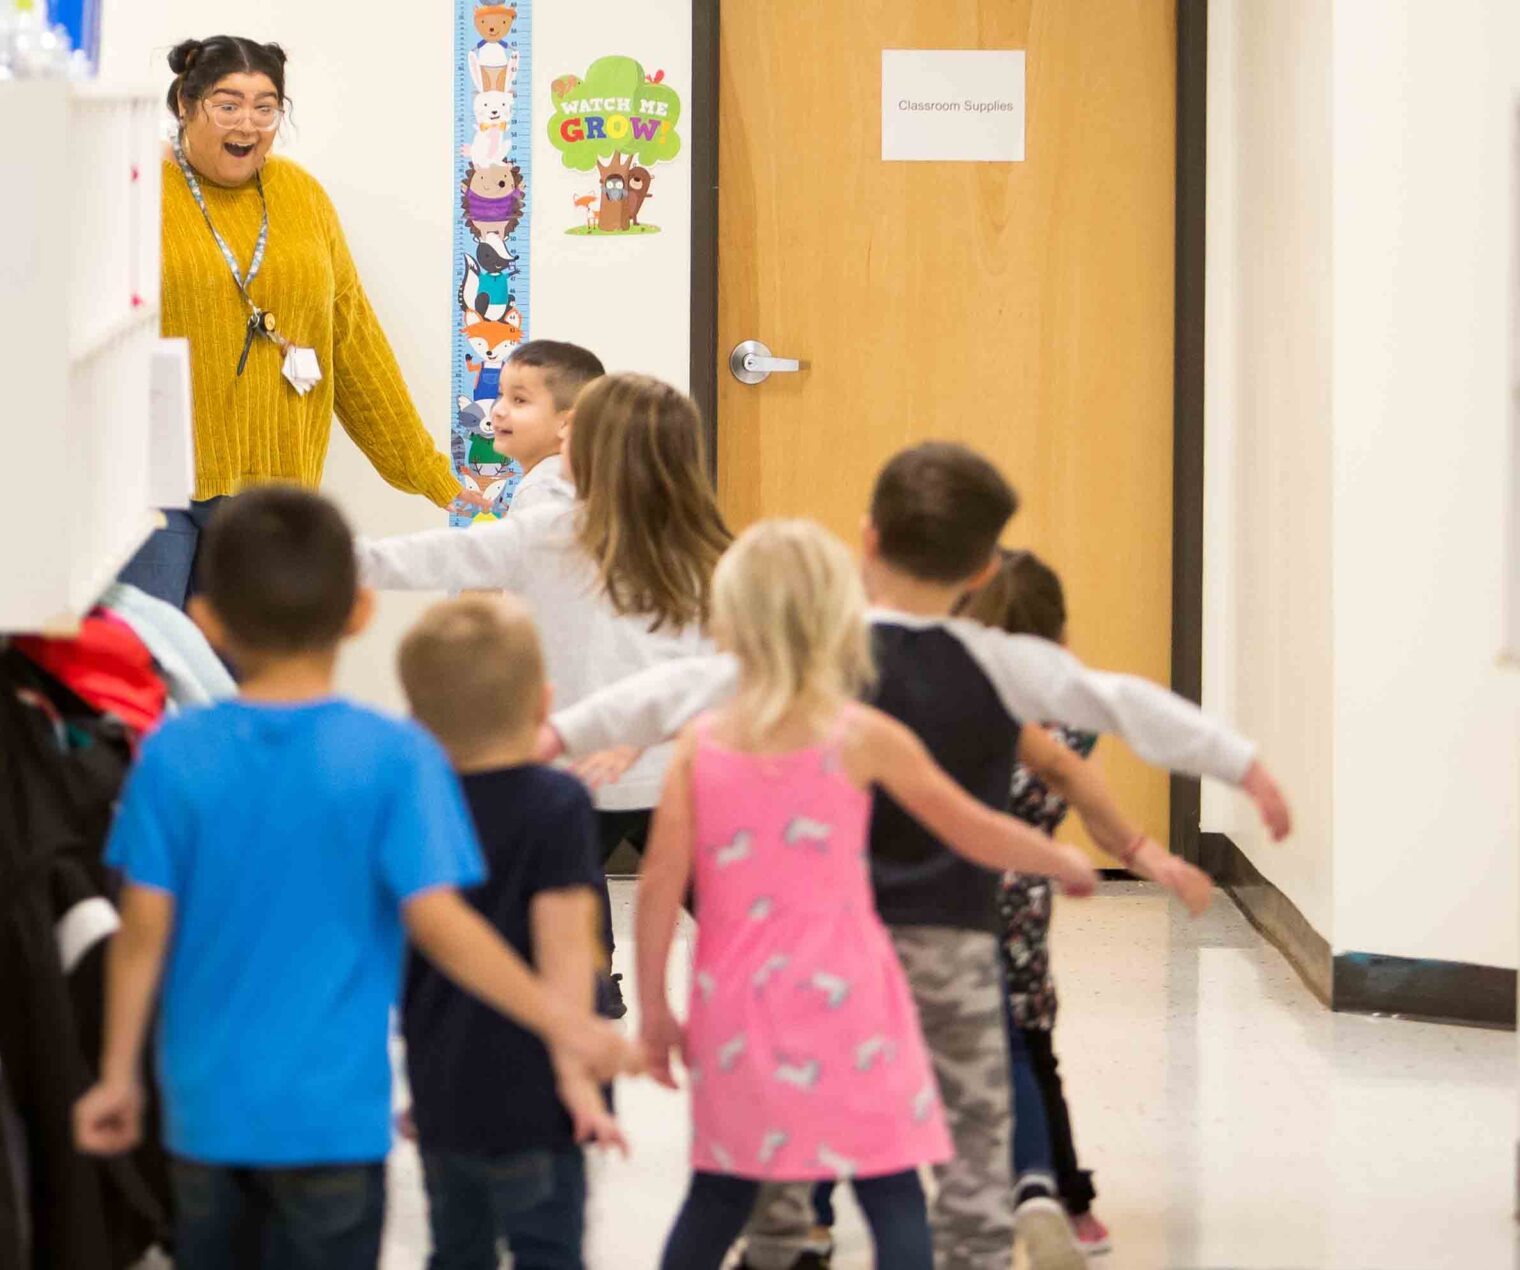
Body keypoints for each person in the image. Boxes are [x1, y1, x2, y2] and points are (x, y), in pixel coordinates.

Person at [543, 442, 1293, 1270]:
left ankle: (787, 1233)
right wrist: (1239, 762)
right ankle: (975, 1245)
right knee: (967, 1135)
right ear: (982, 573)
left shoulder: (815, 650)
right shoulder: (996, 659)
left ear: (866, 540)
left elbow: (665, 693)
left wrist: (557, 732)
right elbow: (1117, 701)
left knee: (799, 1113)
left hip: (828, 956)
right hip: (950, 942)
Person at [70, 487, 640, 1270]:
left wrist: (114, 1076)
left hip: (202, 1112)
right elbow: (444, 927)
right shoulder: (391, 756)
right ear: (360, 614)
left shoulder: (174, 753)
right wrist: (562, 1020)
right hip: (334, 1117)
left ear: (204, 620)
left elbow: (141, 933)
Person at [638, 519, 1103, 1270]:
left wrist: (657, 1008)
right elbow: (973, 827)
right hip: (848, 994)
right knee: (889, 1188)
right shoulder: (862, 735)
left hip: (738, 1004)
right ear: (839, 625)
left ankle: (778, 1236)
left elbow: (660, 884)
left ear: (726, 623)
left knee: (720, 1192)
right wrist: (1057, 858)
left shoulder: (702, 742)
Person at [357, 369, 731, 1014]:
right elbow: (719, 675)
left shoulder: (550, 533)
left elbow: (432, 557)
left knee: (567, 914)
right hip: (671, 776)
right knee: (726, 920)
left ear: (593, 454)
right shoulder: (707, 548)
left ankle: (588, 992)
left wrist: (327, 554)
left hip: (572, 772)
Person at [118, 35, 472, 610]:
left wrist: (433, 476)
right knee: (150, 672)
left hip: (272, 494)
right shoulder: (132, 190)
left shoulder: (303, 196)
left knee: (249, 679)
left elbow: (352, 343)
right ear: (185, 103)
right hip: (151, 487)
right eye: (227, 104)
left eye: (266, 106)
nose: (248, 124)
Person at [961, 549, 1204, 1258]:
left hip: (949, 899)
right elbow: (1084, 796)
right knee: (1034, 1051)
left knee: (938, 1052)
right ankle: (1068, 1202)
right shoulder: (1067, 719)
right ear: (1056, 632)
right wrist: (1145, 854)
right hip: (1024, 909)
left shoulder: (957, 704)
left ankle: (831, 1196)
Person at [395, 593, 626, 1270]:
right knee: (546, 1251)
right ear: (544, 703)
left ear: (418, 717)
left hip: (447, 1090)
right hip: (542, 1100)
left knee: (457, 1252)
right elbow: (563, 953)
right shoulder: (557, 805)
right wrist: (578, 1078)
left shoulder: (411, 805)